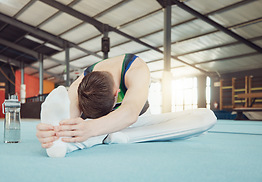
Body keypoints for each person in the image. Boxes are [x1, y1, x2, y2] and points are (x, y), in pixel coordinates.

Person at [36, 54, 217, 157]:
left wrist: (92, 128)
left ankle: (108, 137)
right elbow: (68, 122)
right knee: (68, 128)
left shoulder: (136, 69)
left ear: (117, 93)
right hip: (101, 128)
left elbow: (130, 113)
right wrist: (53, 132)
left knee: (205, 117)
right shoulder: (78, 86)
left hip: (136, 121)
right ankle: (75, 143)